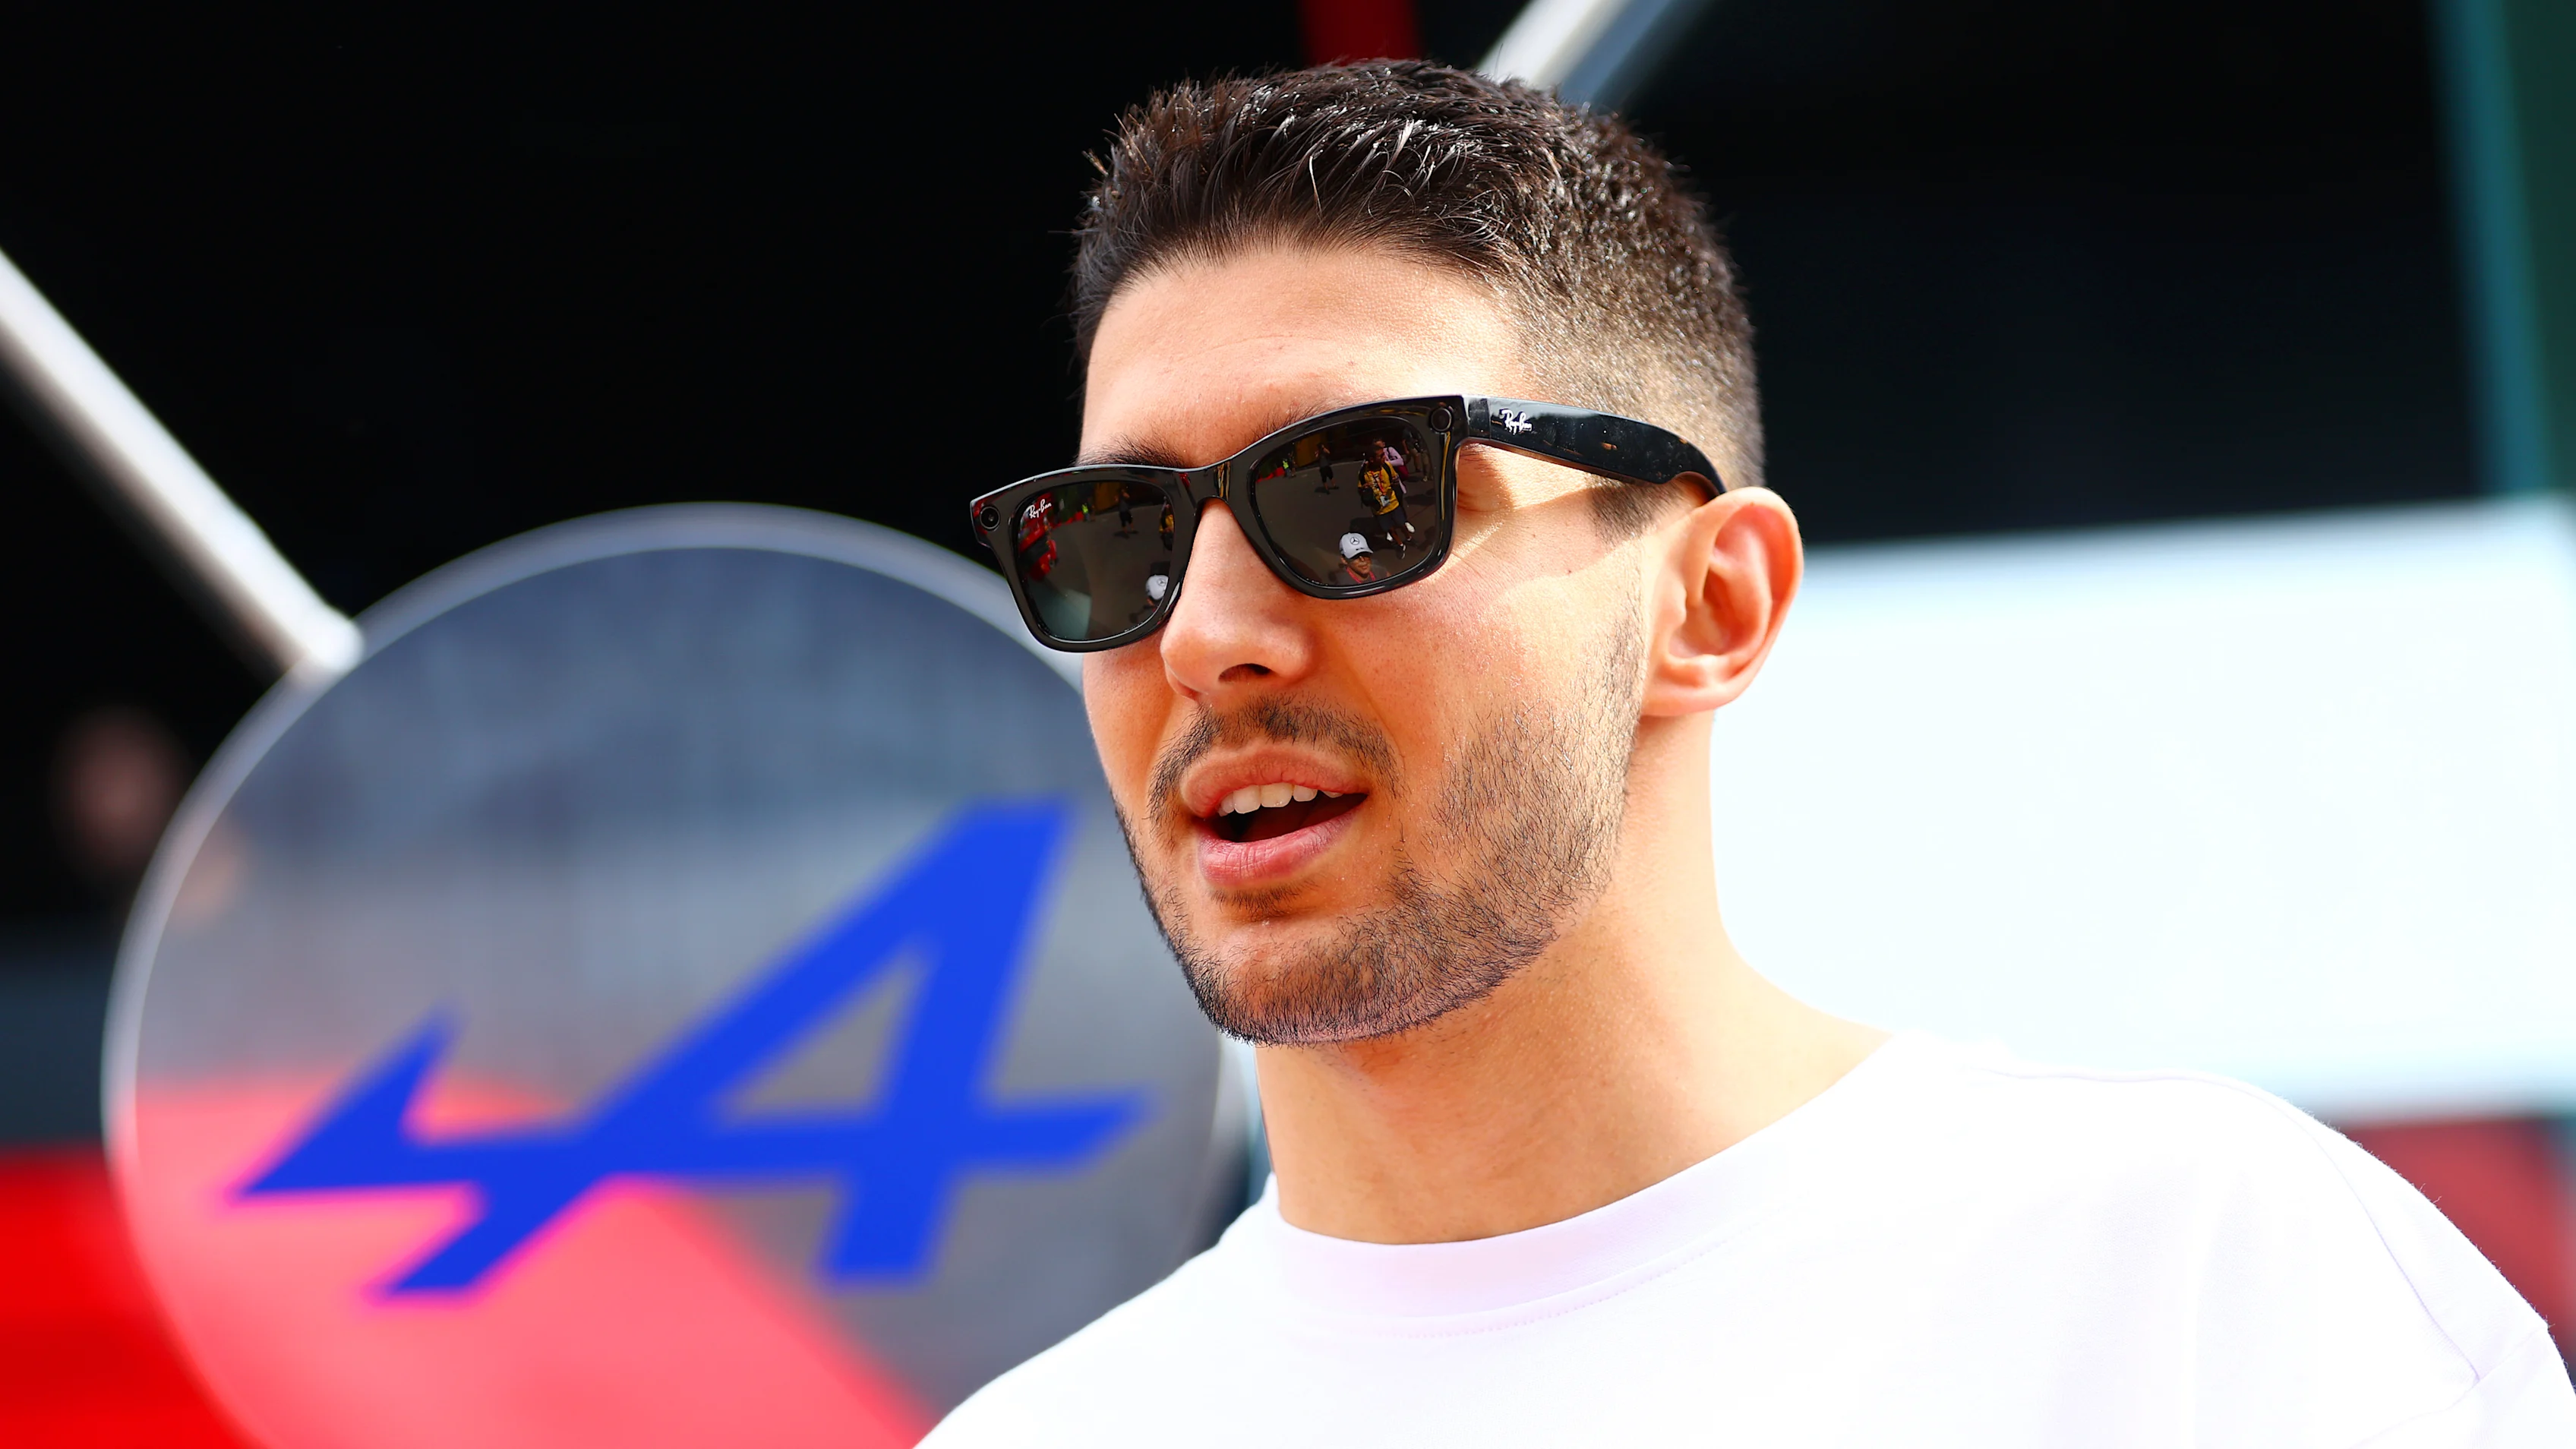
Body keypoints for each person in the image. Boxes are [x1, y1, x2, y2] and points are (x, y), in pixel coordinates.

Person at [931, 62, 2575, 1446]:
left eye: (1362, 492)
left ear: (1711, 601)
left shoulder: (2204, 1287)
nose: (1207, 633)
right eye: (1116, 532)